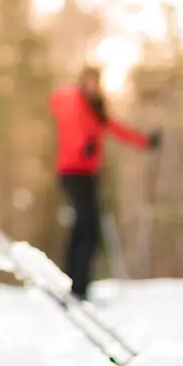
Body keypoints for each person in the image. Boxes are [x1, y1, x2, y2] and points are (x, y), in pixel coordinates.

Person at [47, 66, 159, 301]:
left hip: (89, 175)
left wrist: (145, 142)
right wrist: (83, 145)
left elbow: (117, 129)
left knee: (83, 229)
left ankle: (76, 284)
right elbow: (70, 124)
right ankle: (76, 286)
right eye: (88, 81)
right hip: (72, 172)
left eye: (96, 82)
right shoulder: (73, 101)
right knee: (87, 229)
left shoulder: (96, 109)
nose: (92, 86)